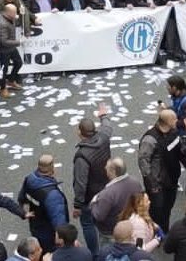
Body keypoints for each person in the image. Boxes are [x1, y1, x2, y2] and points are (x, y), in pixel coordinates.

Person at [73, 103, 112, 258]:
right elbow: (108, 126)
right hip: (106, 188)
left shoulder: (82, 155)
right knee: (105, 221)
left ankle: (95, 254)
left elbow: (80, 183)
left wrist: (77, 204)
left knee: (88, 223)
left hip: (90, 196)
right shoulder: (104, 136)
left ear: (80, 133)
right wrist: (103, 115)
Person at [19, 154, 71, 253]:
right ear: (52, 168)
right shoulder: (52, 194)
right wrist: (62, 236)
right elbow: (58, 218)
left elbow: (22, 198)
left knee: (40, 251)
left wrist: (22, 212)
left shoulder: (30, 179)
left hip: (35, 224)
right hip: (49, 231)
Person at [138, 109, 180, 231]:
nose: (177, 120)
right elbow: (143, 162)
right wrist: (152, 184)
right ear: (167, 122)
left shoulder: (173, 132)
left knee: (167, 208)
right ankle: (154, 233)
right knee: (157, 210)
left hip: (171, 180)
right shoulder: (150, 139)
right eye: (174, 119)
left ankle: (164, 230)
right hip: (157, 184)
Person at [90, 157, 145, 248]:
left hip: (110, 232)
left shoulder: (108, 194)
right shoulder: (136, 183)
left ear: (113, 172)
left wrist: (93, 203)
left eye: (107, 167)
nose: (104, 168)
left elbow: (99, 216)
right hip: (130, 227)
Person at [0, 4, 25, 98]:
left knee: (19, 63)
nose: (16, 14)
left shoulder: (10, 17)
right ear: (8, 12)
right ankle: (3, 88)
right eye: (14, 12)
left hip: (11, 47)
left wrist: (22, 13)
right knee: (4, 70)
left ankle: (11, 80)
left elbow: (19, 21)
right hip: (3, 50)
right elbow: (4, 41)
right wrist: (19, 42)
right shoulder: (1, 23)